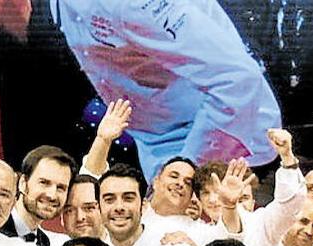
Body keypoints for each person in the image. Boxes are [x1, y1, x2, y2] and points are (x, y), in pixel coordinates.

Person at [52, 0, 281, 180]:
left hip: (231, 151)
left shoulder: (133, 5)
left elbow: (237, 79)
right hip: (160, 149)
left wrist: (185, 168)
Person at [0, 145, 77, 246]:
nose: (52, 195)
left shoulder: (47, 244)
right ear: (23, 183)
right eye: (44, 183)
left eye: (60, 188)